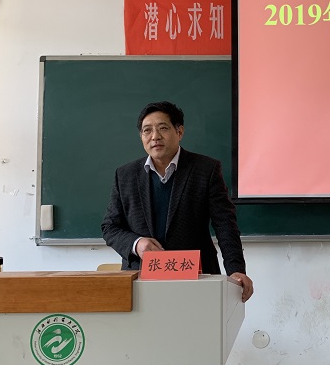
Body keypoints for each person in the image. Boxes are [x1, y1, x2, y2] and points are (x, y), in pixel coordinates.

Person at [101, 101, 253, 302]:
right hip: (141, 281)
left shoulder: (205, 170)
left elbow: (225, 224)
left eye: (163, 128)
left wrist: (236, 269)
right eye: (147, 130)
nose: (155, 136)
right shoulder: (125, 175)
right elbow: (110, 227)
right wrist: (137, 244)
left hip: (196, 278)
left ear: (179, 131)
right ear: (141, 137)